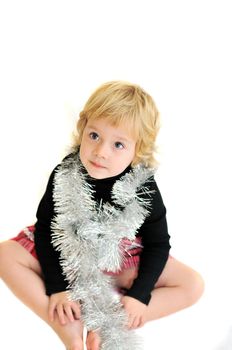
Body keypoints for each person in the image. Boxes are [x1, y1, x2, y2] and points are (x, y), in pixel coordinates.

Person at [0, 81, 204, 350]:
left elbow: (157, 244)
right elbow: (46, 231)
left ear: (137, 150)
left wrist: (139, 295)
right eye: (94, 136)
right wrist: (57, 287)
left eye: (118, 144)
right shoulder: (65, 173)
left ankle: (112, 322)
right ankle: (69, 329)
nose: (101, 152)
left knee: (192, 285)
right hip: (69, 253)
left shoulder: (143, 188)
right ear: (82, 129)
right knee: (5, 254)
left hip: (118, 257)